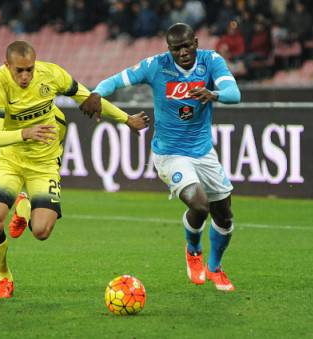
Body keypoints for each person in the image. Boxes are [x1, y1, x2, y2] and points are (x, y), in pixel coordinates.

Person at [80, 23, 241, 292]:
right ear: (169, 50)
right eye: (176, 49)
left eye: (187, 46)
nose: (183, 52)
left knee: (224, 217)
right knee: (200, 205)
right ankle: (193, 251)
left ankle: (215, 268)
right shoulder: (156, 65)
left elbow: (234, 94)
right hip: (170, 155)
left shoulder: (211, 61)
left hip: (203, 153)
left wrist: (213, 94)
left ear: (196, 42)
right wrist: (96, 93)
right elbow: (118, 79)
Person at [0, 40, 148, 299]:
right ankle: (4, 278)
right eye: (19, 71)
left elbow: (88, 98)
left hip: (44, 163)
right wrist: (26, 132)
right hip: (10, 160)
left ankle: (24, 206)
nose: (25, 76)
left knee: (41, 232)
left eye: (30, 69)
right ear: (7, 66)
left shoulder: (52, 74)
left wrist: (127, 119)